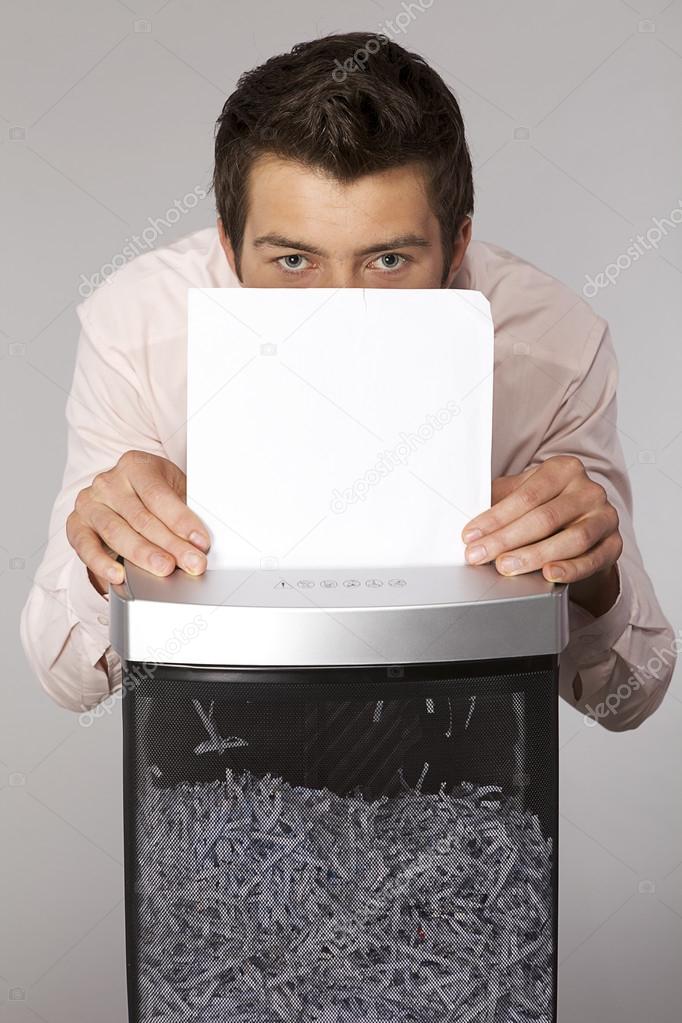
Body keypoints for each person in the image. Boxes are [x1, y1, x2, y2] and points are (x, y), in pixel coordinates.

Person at [20, 32, 675, 729]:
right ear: (227, 247)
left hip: (458, 767)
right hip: (219, 759)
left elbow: (630, 698)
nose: (337, 308)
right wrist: (104, 561)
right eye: (294, 261)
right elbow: (68, 680)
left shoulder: (557, 349)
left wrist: (595, 577)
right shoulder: (138, 328)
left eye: (388, 260)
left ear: (456, 248)